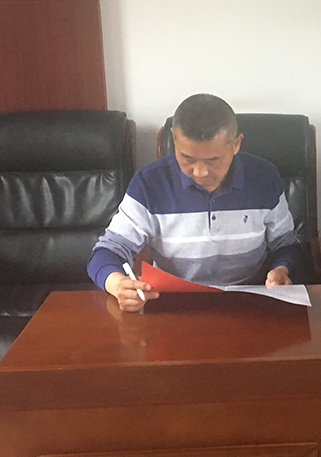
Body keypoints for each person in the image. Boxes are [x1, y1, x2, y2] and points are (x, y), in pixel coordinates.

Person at [88, 94, 303, 311]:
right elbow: (108, 251)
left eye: (213, 160)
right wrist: (117, 284)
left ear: (236, 144)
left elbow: (285, 244)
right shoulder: (149, 183)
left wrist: (282, 269)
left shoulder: (264, 178)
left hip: (248, 302)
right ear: (174, 139)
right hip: (174, 304)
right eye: (187, 158)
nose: (200, 172)